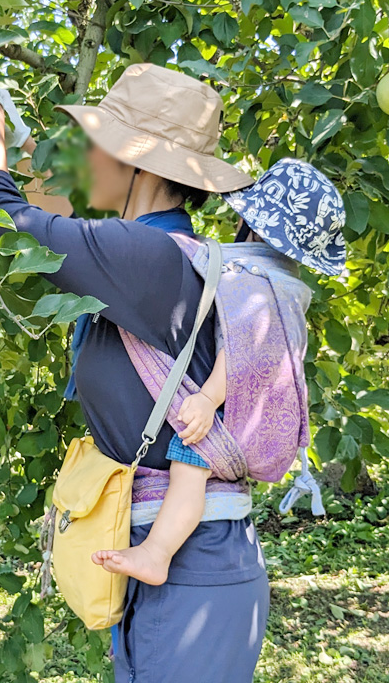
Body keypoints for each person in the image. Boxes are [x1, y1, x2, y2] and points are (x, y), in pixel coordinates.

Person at [0, 55, 269, 683]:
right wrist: (17, 151)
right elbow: (57, 223)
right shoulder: (151, 252)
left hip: (190, 562)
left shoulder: (146, 257)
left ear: (136, 163)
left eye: (97, 144)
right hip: (171, 554)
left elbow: (12, 225)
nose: (85, 158)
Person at [92, 159, 347, 586]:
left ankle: (157, 553)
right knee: (189, 475)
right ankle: (156, 552)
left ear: (256, 226)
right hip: (246, 410)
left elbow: (246, 349)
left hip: (228, 413)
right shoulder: (279, 281)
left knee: (188, 476)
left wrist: (208, 399)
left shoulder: (258, 284)